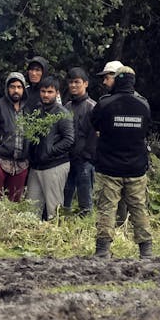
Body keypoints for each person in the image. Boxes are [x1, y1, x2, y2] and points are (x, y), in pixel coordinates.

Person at [92, 66, 153, 259]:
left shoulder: (105, 103)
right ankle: (146, 251)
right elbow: (147, 131)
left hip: (109, 167)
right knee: (138, 208)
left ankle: (103, 250)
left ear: (116, 81)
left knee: (107, 208)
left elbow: (94, 124)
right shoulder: (143, 104)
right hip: (136, 167)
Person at [27, 77, 74, 220]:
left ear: (57, 93)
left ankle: (57, 239)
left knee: (54, 210)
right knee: (31, 210)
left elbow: (69, 140)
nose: (46, 95)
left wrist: (49, 151)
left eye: (50, 91)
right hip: (36, 166)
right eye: (43, 91)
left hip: (55, 165)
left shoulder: (62, 113)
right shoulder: (37, 110)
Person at [0, 73, 31, 202]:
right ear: (7, 88)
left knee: (14, 202)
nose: (16, 90)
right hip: (0, 161)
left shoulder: (29, 109)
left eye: (19, 87)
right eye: (12, 87)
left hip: (21, 164)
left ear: (24, 89)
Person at [96, 60, 128, 224]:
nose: (104, 82)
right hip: (122, 160)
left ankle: (120, 230)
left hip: (117, 160)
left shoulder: (106, 102)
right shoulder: (138, 100)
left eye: (107, 77)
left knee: (121, 202)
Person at [63, 68, 97, 217]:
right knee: (65, 195)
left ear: (86, 84)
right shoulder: (66, 107)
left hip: (85, 160)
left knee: (85, 198)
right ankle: (64, 223)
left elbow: (95, 135)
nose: (74, 85)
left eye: (77, 82)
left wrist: (87, 155)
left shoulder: (93, 107)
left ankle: (86, 228)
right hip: (67, 159)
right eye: (71, 82)